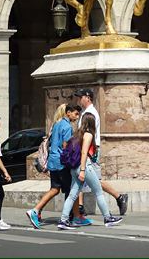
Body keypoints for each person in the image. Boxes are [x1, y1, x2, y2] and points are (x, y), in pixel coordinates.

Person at [26, 104, 89, 229]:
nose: (77, 117)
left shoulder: (56, 124)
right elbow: (66, 146)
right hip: (62, 163)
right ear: (68, 113)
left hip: (53, 161)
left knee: (55, 189)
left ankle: (35, 210)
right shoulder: (67, 126)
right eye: (76, 114)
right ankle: (74, 217)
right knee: (73, 190)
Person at [57, 113, 123, 229]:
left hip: (73, 168)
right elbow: (84, 152)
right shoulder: (88, 135)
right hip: (84, 167)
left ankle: (63, 220)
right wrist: (83, 170)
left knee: (72, 195)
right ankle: (107, 218)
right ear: (92, 123)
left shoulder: (77, 134)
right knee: (98, 192)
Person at [73, 88, 128, 216]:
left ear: (87, 97)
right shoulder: (86, 112)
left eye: (80, 97)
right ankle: (80, 207)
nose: (79, 100)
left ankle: (119, 197)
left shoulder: (91, 113)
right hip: (86, 149)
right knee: (80, 176)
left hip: (91, 150)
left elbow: (88, 134)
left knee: (95, 180)